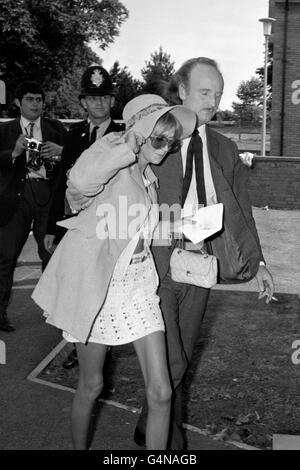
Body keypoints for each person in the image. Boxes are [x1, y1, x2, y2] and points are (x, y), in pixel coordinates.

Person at [65, 58, 275, 450]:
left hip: (196, 269)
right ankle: (170, 445)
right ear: (181, 92)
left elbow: (240, 210)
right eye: (205, 92)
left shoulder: (224, 149)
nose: (213, 101)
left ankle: (152, 427)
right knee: (166, 367)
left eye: (218, 93)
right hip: (149, 272)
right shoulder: (153, 142)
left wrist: (259, 262)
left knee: (175, 367)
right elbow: (85, 189)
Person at [32, 94, 197, 450]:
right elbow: (79, 183)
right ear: (140, 131)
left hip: (138, 287)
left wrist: (189, 229)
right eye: (159, 138)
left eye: (173, 141)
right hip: (100, 287)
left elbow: (139, 233)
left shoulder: (148, 176)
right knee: (91, 385)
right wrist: (128, 145)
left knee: (162, 391)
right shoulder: (111, 157)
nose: (167, 148)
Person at [44, 65, 124, 370]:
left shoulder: (124, 135)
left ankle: (104, 354)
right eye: (92, 98)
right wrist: (53, 227)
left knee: (105, 288)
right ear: (83, 102)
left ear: (112, 101)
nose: (99, 103)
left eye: (104, 97)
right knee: (79, 287)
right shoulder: (73, 134)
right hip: (77, 228)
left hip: (108, 226)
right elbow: (61, 185)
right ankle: (82, 346)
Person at [0, 81, 66, 332]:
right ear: (18, 102)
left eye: (39, 99)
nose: (36, 104)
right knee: (5, 257)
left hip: (47, 195)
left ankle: (55, 310)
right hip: (13, 198)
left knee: (52, 254)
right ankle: (0, 314)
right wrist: (14, 153)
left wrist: (59, 154)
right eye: (30, 99)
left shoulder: (56, 128)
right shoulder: (4, 131)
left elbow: (73, 159)